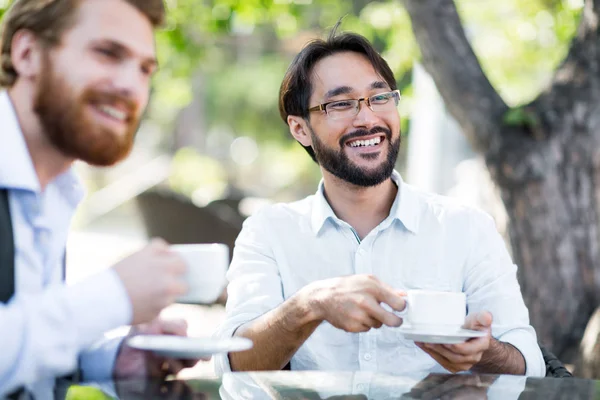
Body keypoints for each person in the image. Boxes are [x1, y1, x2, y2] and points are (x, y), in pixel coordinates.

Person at [214, 27, 545, 377]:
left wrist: (483, 352)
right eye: (341, 104)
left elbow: (530, 364)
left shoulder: (466, 227)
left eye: (380, 97)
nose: (368, 118)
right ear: (300, 129)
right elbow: (232, 367)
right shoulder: (268, 233)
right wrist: (310, 306)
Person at [0, 0, 197, 394]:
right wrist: (113, 297)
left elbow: (24, 331)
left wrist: (115, 357)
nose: (131, 86)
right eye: (107, 53)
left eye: (145, 69)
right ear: (27, 54)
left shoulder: (58, 191)